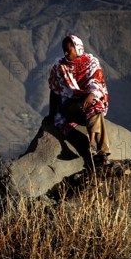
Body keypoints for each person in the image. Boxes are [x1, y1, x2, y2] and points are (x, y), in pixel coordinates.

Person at [48, 35, 111, 167]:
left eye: (68, 50)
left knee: (95, 106)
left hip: (88, 105)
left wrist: (92, 94)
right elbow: (55, 90)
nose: (65, 53)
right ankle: (90, 149)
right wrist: (52, 113)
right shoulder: (60, 66)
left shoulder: (91, 63)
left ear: (78, 48)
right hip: (70, 107)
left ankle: (101, 153)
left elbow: (97, 82)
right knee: (60, 122)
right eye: (64, 50)